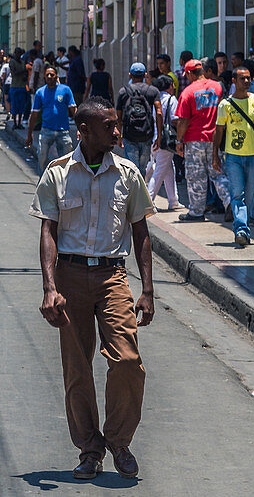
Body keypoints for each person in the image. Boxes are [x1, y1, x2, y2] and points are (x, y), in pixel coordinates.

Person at [31, 97, 155, 481]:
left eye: (117, 125)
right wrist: (50, 287)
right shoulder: (58, 173)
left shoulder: (129, 174)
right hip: (69, 276)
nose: (116, 132)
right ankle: (89, 449)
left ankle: (119, 440)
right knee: (77, 367)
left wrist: (147, 290)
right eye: (108, 126)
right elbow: (48, 230)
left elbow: (141, 232)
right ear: (83, 131)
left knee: (127, 361)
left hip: (112, 276)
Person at [213, 66, 254, 246]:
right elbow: (219, 131)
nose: (246, 81)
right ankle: (241, 230)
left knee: (251, 196)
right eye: (242, 79)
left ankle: (244, 228)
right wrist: (215, 154)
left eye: (248, 78)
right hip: (233, 157)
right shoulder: (225, 105)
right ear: (234, 81)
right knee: (237, 194)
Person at [174, 59, 231, 222]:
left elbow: (183, 121)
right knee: (218, 172)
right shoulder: (218, 87)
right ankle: (230, 204)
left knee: (196, 176)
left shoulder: (187, 93)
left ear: (191, 74)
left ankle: (197, 212)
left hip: (194, 139)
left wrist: (179, 141)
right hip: (215, 138)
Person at [115, 63, 163, 177]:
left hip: (129, 135)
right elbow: (159, 112)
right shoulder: (153, 91)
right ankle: (140, 191)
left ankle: (133, 192)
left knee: (131, 168)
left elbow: (119, 116)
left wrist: (119, 136)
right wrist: (159, 136)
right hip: (146, 135)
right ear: (145, 75)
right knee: (142, 169)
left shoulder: (123, 91)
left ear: (130, 75)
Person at [26, 67, 78, 174]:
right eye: (47, 75)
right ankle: (43, 183)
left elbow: (74, 110)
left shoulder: (65, 90)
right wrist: (29, 134)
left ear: (56, 76)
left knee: (67, 161)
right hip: (46, 131)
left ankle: (65, 184)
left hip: (63, 132)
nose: (49, 77)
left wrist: (80, 128)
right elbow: (34, 114)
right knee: (42, 157)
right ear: (44, 77)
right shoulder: (40, 92)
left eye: (52, 75)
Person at [146, 75, 180, 210]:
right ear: (170, 85)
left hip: (153, 137)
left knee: (168, 168)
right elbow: (175, 119)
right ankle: (148, 200)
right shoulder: (171, 99)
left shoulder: (154, 99)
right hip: (165, 140)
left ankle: (173, 200)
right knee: (160, 169)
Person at [8, 48, 31, 129]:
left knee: (21, 106)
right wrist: (23, 72)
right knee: (14, 106)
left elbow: (25, 73)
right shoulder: (12, 62)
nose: (18, 55)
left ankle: (19, 123)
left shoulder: (22, 62)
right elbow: (14, 73)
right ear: (14, 53)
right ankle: (15, 123)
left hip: (22, 86)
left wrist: (24, 75)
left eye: (19, 53)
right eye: (17, 53)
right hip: (14, 86)